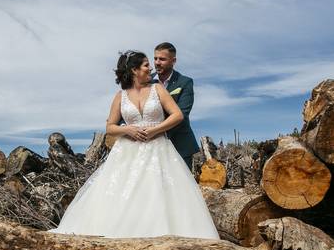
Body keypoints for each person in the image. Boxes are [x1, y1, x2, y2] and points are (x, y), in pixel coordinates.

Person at [50, 50, 219, 239]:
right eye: (146, 65)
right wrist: (127, 130)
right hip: (127, 151)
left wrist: (156, 130)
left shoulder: (158, 90)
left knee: (157, 193)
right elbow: (110, 127)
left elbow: (177, 115)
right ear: (134, 70)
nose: (151, 68)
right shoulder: (120, 96)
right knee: (123, 193)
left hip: (157, 148)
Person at [153, 42, 200, 170]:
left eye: (162, 59)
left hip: (180, 144)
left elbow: (182, 114)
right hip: (151, 146)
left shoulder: (185, 82)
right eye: (155, 58)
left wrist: (155, 131)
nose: (157, 62)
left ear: (173, 61)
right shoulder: (146, 82)